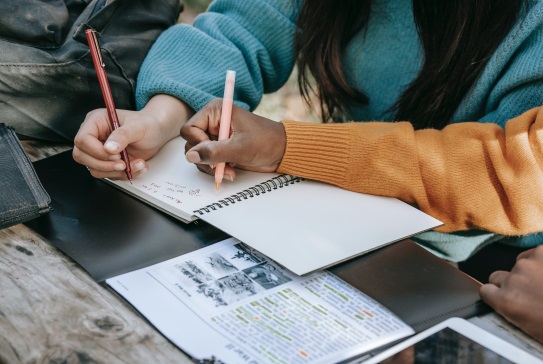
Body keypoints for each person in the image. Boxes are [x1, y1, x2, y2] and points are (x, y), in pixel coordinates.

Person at [72, 0, 543, 343]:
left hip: (493, 268)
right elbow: (247, 26)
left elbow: (513, 169)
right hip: (341, 221)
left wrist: (286, 145)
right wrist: (161, 115)